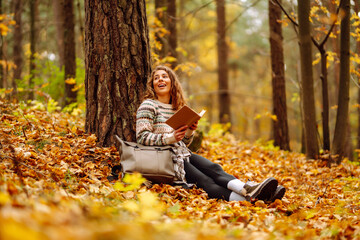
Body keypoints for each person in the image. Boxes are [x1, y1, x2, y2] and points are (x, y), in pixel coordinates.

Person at [136, 65, 285, 202]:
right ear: (152, 85)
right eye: (156, 78)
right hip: (163, 160)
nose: (160, 79)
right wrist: (170, 138)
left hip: (181, 154)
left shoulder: (177, 108)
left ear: (172, 82)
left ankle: (250, 190)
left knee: (214, 169)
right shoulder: (148, 105)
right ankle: (252, 200)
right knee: (205, 181)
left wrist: (189, 131)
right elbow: (141, 137)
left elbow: (184, 143)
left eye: (164, 76)